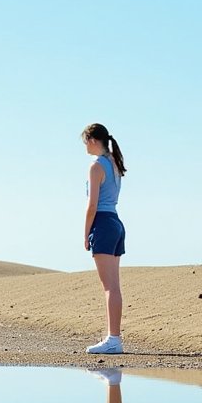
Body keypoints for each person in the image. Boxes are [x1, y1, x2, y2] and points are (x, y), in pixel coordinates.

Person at [81, 122, 127, 356]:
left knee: (109, 287)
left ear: (92, 140)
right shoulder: (115, 164)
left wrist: (85, 232)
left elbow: (92, 206)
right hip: (116, 223)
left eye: (84, 143)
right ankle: (113, 337)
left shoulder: (96, 165)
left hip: (103, 223)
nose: (85, 148)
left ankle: (114, 339)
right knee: (114, 286)